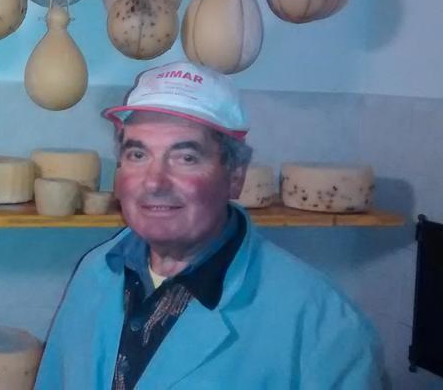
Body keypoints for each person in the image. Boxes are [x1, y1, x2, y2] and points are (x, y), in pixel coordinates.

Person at [35, 60, 384, 389]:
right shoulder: (96, 271)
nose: (154, 182)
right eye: (137, 155)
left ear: (235, 177)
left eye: (186, 158)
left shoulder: (324, 325)